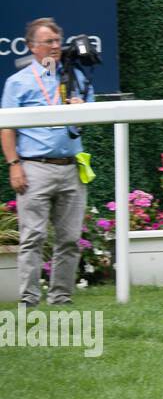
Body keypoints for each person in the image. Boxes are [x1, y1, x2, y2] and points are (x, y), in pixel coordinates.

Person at [1, 18, 94, 306]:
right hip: (34, 167)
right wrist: (14, 164)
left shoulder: (75, 76)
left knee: (68, 238)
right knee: (33, 237)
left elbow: (94, 115)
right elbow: (7, 128)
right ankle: (29, 299)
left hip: (71, 166)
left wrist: (84, 109)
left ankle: (61, 297)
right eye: (47, 42)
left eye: (57, 41)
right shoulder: (17, 83)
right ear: (32, 47)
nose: (55, 47)